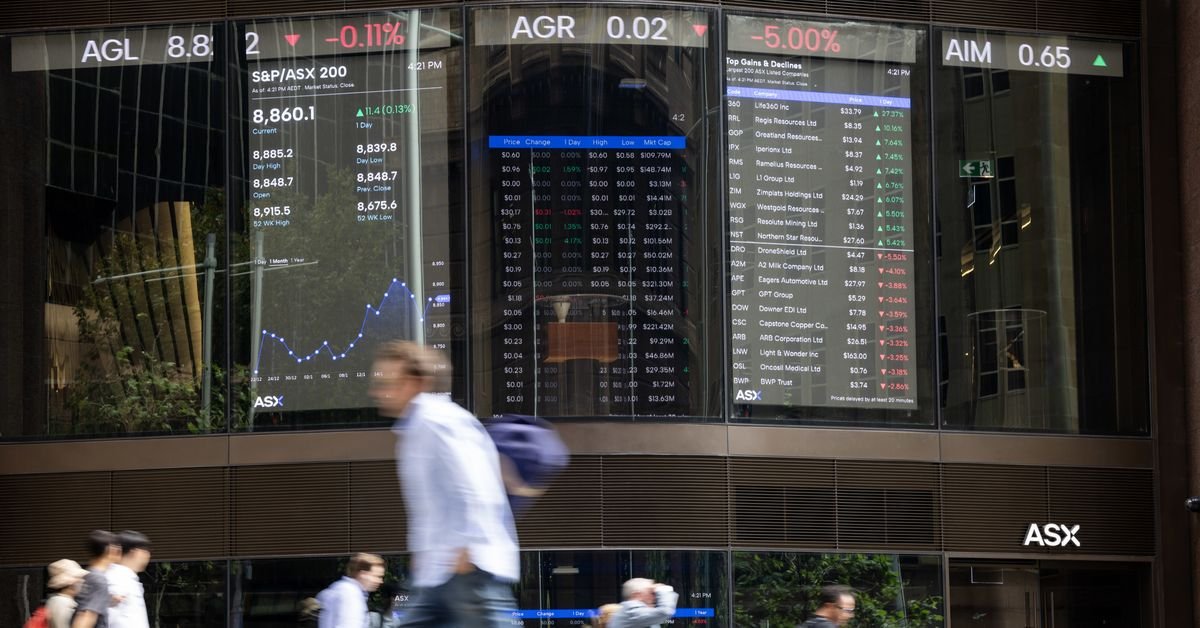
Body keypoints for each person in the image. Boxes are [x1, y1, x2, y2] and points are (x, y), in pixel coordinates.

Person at [369, 341, 518, 626]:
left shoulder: (438, 422)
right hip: (437, 573)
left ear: (415, 382)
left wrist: (468, 550)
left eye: (387, 383)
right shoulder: (414, 429)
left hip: (466, 571)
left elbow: (474, 486)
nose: (377, 392)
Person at [315, 553, 385, 628]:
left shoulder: (339, 588)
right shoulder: (351, 595)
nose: (380, 581)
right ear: (363, 574)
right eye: (377, 576)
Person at [71, 530, 121, 628]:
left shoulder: (89, 575)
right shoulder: (98, 579)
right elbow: (86, 616)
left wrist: (109, 599)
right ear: (111, 550)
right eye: (118, 548)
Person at [106, 531, 151, 628]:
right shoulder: (117, 579)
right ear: (135, 552)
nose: (148, 555)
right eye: (145, 551)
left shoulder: (126, 578)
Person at [608, 578, 678, 628]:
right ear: (637, 595)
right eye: (651, 593)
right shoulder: (630, 610)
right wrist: (663, 590)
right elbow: (664, 612)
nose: (655, 597)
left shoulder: (631, 612)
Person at [45, 559, 89, 628]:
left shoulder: (59, 600)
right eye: (79, 578)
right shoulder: (62, 602)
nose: (82, 581)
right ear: (71, 583)